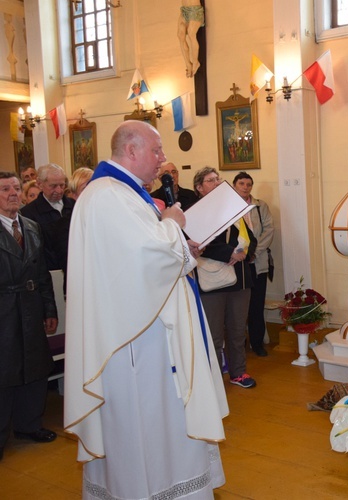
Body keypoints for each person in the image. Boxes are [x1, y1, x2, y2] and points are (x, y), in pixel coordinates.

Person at [64, 121, 228, 498]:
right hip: (136, 341)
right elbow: (143, 260)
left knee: (162, 425)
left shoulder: (123, 193)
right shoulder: (107, 194)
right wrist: (172, 226)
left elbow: (151, 254)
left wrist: (183, 246)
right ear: (131, 150)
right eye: (156, 151)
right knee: (147, 427)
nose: (163, 159)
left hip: (148, 333)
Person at [0, 172, 59, 463]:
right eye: (5, 189)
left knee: (34, 369)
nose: (13, 193)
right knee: (5, 372)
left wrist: (50, 309)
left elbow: (42, 274)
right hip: (4, 311)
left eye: (16, 188)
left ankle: (29, 425)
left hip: (31, 307)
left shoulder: (32, 227)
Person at [194, 167, 258, 388]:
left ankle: (238, 372)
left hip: (240, 278)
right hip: (214, 281)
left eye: (217, 179)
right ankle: (212, 378)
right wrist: (229, 253)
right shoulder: (195, 213)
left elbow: (252, 239)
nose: (216, 182)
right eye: (210, 180)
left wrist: (244, 254)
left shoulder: (233, 210)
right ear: (199, 188)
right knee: (214, 333)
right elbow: (198, 244)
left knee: (238, 329)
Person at [233, 172, 274, 357]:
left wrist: (254, 253)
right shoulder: (228, 207)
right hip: (236, 262)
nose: (245, 187)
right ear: (234, 185)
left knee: (257, 304)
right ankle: (238, 344)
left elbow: (269, 230)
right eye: (241, 183)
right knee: (238, 307)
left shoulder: (260, 206)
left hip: (257, 262)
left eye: (249, 184)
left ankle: (257, 343)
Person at [20, 164, 74, 273]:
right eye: (53, 186)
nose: (59, 191)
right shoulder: (28, 213)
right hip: (48, 272)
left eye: (62, 185)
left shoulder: (74, 206)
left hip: (74, 268)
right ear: (40, 184)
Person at [178, 0, 204, 77]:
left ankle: (196, 62)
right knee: (180, 35)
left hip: (194, 9)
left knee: (191, 34)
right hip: (184, 10)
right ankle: (188, 64)